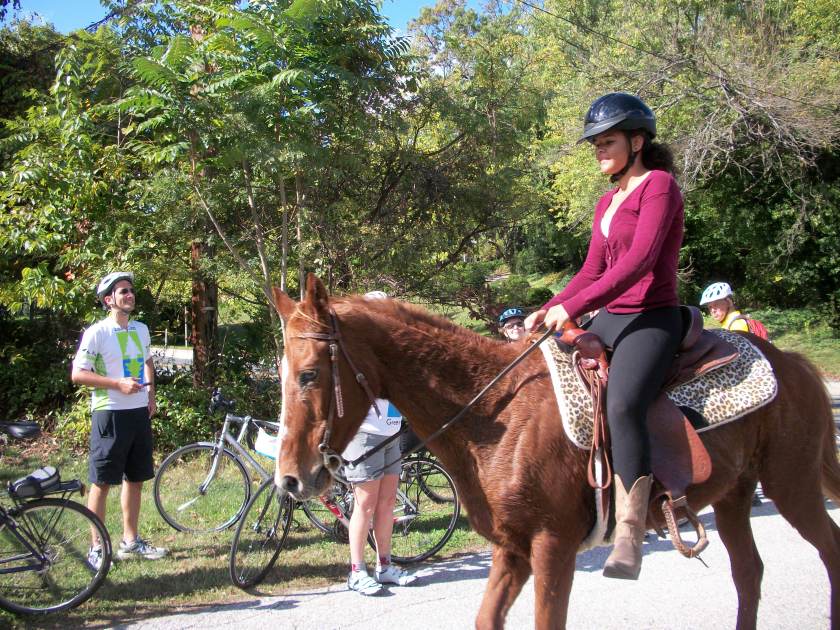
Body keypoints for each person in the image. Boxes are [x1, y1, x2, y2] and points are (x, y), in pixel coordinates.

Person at [525, 92, 684, 580]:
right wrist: (553, 305)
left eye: (607, 141)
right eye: (594, 143)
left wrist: (573, 307)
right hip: (613, 314)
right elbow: (595, 267)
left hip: (654, 316)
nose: (598, 150)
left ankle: (630, 533)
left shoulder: (658, 185)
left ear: (638, 141)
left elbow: (640, 261)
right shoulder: (607, 201)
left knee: (620, 403)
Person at [71, 272, 167, 570]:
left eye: (131, 291)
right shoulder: (97, 333)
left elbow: (148, 361)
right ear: (108, 300)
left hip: (138, 413)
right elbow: (78, 374)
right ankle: (97, 547)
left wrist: (150, 394)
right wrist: (117, 384)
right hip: (109, 412)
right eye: (123, 291)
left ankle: (131, 540)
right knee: (101, 483)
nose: (129, 295)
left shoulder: (141, 329)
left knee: (135, 479)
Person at [343, 291, 417, 595]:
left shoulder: (392, 348)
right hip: (364, 434)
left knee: (387, 503)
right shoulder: (358, 350)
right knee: (366, 503)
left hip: (391, 432)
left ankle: (384, 566)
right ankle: (356, 571)